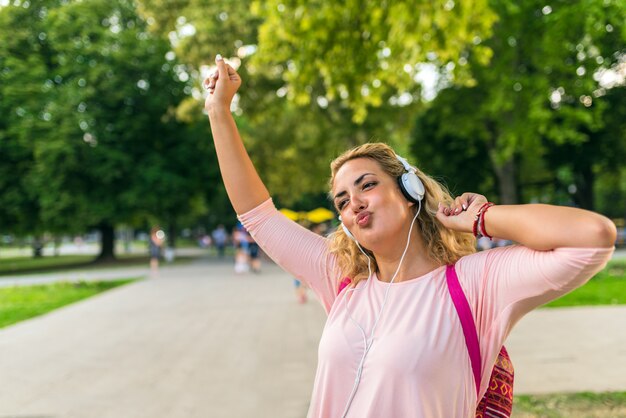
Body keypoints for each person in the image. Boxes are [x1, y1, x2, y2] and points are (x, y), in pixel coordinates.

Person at [203, 55, 616, 417]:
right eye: (342, 201)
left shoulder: (472, 286)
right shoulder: (342, 281)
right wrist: (218, 110)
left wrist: (481, 219)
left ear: (410, 191)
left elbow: (592, 236)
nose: (354, 204)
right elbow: (257, 215)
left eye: (367, 185)